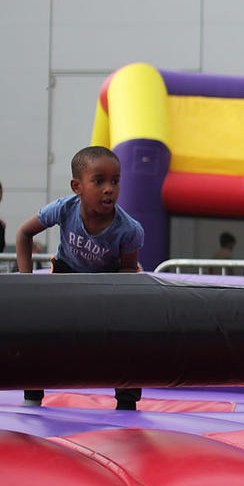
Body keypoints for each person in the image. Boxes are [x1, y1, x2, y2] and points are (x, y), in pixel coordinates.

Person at [14, 146, 145, 409]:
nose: (109, 189)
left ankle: (127, 402)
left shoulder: (128, 229)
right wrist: (24, 278)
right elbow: (24, 233)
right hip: (67, 275)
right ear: (77, 186)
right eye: (99, 181)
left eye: (115, 181)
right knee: (39, 333)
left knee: (127, 340)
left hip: (108, 282)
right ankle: (32, 395)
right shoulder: (64, 209)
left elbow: (129, 269)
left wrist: (117, 298)